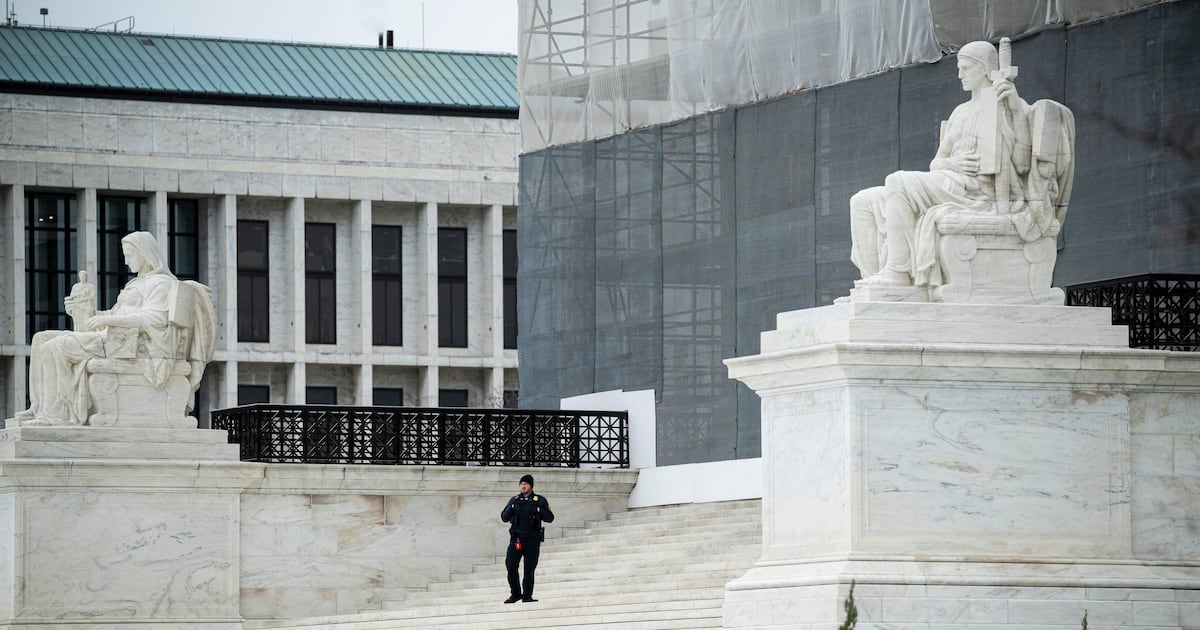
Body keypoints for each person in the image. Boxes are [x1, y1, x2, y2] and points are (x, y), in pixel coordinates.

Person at [855, 40, 1033, 288]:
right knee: (863, 201)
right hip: (950, 181)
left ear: (983, 69)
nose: (959, 75)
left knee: (897, 181)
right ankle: (876, 281)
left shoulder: (1011, 106)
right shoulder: (960, 112)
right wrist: (954, 163)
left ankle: (899, 271)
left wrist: (1015, 111)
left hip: (979, 194)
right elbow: (937, 163)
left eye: (965, 68)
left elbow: (1023, 165)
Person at [14, 231, 212, 426]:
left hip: (131, 345)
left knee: (54, 347)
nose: (126, 261)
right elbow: (118, 313)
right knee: (41, 338)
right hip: (114, 338)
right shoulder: (136, 283)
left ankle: (56, 414)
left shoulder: (161, 283)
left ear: (144, 254)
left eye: (129, 255)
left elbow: (154, 318)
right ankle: (39, 406)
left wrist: (108, 322)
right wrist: (86, 312)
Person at [500, 473, 554, 603]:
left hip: (532, 540)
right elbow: (504, 517)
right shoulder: (514, 500)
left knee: (529, 569)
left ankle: (527, 595)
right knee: (510, 566)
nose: (523, 486)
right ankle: (516, 593)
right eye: (522, 484)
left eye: (526, 484)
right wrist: (511, 508)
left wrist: (540, 510)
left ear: (531, 486)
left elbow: (550, 518)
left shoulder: (539, 500)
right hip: (516, 539)